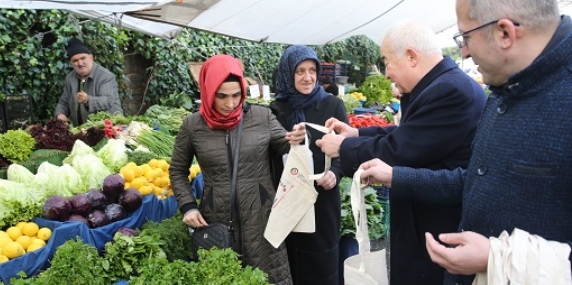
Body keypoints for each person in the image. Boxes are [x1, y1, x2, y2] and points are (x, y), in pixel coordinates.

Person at [358, 0, 572, 284]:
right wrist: (398, 177)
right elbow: (476, 181)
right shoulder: (506, 91)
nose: (463, 52)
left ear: (505, 32)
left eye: (465, 37)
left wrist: (498, 259)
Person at [316, 19, 487, 285]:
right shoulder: (439, 86)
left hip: (437, 227)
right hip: (425, 223)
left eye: (386, 61)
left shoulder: (449, 90)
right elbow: (406, 133)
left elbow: (400, 149)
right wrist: (356, 134)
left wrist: (342, 147)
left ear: (411, 57)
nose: (385, 74)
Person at [169, 54, 306, 285]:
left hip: (262, 214)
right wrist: (188, 206)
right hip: (216, 216)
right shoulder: (192, 126)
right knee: (226, 276)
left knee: (269, 275)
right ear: (207, 90)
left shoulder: (262, 116)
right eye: (221, 96)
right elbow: (177, 169)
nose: (230, 104)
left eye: (236, 95)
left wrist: (296, 138)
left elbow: (284, 144)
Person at [269, 45, 349, 285]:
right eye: (300, 71)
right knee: (291, 262)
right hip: (289, 198)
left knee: (321, 265)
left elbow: (345, 150)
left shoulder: (332, 106)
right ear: (288, 74)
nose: (308, 77)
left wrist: (335, 174)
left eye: (312, 70)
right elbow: (269, 151)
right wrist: (284, 141)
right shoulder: (276, 109)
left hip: (322, 200)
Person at [54, 37, 122, 126]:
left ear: (91, 58)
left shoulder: (105, 76)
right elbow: (63, 101)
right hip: (82, 130)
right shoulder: (70, 78)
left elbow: (107, 100)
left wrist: (87, 100)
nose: (80, 63)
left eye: (83, 58)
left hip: (109, 129)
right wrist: (60, 114)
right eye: (75, 60)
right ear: (71, 63)